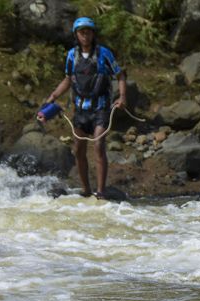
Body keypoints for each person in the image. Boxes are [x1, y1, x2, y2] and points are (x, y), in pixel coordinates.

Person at [41, 17, 127, 198]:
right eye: (81, 32)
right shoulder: (72, 55)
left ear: (93, 33)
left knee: (98, 144)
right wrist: (53, 96)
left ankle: (101, 192)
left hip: (101, 109)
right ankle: (86, 190)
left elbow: (120, 75)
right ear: (76, 35)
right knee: (78, 148)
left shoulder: (105, 54)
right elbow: (67, 79)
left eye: (88, 31)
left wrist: (122, 97)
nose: (85, 35)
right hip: (80, 111)